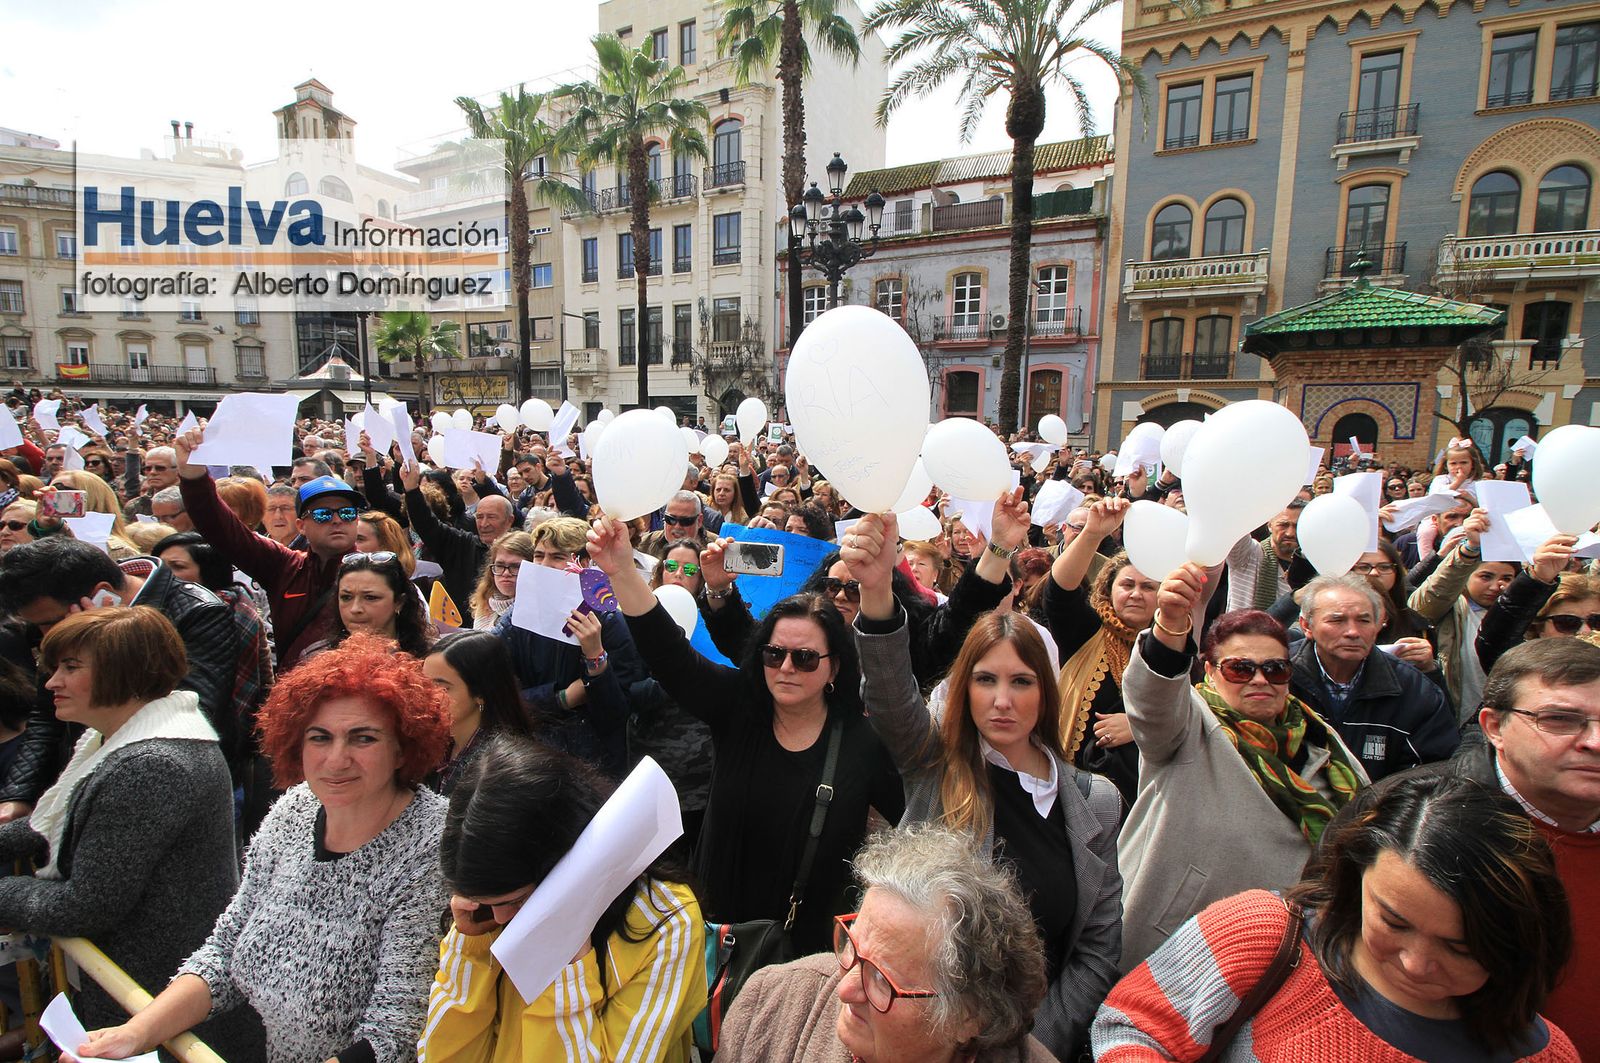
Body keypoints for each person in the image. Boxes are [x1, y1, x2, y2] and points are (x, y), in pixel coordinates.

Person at [73, 634, 451, 1063]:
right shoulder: (295, 810)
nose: (336, 759)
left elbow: (395, 1036)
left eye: (363, 739)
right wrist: (135, 1033)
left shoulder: (431, 847)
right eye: (320, 738)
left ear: (403, 748)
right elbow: (224, 952)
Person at [846, 513, 1121, 1058]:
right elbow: (890, 693)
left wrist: (1024, 1042)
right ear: (962, 688)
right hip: (917, 1035)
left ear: (1046, 692)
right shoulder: (934, 763)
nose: (1002, 700)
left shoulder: (1097, 801)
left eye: (1021, 681)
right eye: (985, 679)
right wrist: (876, 591)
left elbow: (1096, 948)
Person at [1092, 772, 1579, 1062]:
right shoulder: (1262, 933)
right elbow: (1132, 1027)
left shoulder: (1548, 1053)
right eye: (1394, 922)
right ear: (1356, 877)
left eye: (1460, 948)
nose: (1416, 963)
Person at [587, 514, 905, 954]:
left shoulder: (862, 743)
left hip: (803, 955)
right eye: (774, 654)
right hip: (714, 942)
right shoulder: (738, 706)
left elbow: (915, 819)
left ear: (834, 667)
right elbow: (668, 653)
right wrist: (622, 569)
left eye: (805, 658)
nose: (786, 668)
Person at [0, 608, 262, 1061]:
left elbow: (86, 905)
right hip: (149, 988)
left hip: (157, 999)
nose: (52, 682)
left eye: (70, 667)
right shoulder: (131, 740)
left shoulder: (151, 764)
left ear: (124, 671)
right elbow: (60, 821)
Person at [1115, 567, 1367, 972]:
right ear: (1210, 671)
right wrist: (1171, 625)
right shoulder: (1188, 725)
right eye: (1240, 669)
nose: (1260, 680)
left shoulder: (1322, 740)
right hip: (1176, 948)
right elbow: (1153, 699)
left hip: (1284, 958)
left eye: (1275, 669)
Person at [418, 735, 706, 1061]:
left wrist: (565, 964)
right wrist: (471, 953)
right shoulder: (486, 918)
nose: (500, 919)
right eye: (489, 904)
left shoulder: (666, 922)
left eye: (515, 901)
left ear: (562, 858)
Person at [720, 829, 1060, 1063]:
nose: (844, 989)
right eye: (852, 947)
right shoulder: (770, 1005)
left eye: (882, 980)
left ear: (967, 1017)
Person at [0, 537, 240, 818]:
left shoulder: (198, 611)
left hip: (163, 787)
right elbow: (46, 714)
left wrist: (105, 646)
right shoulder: (66, 609)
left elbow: (191, 710)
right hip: (84, 777)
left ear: (103, 595)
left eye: (51, 623)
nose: (46, 637)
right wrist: (18, 795)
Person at [177, 425, 361, 672]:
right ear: (301, 526)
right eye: (322, 514)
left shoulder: (380, 572)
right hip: (293, 691)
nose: (337, 520)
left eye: (347, 513)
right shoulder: (284, 566)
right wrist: (193, 477)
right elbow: (225, 531)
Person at [493, 517, 643, 777]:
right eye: (538, 556)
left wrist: (596, 659)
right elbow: (497, 694)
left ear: (583, 563)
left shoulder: (610, 622)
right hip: (530, 756)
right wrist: (561, 698)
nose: (544, 565)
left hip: (591, 765)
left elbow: (619, 713)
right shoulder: (516, 617)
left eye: (557, 557)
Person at [1040, 497, 1153, 806]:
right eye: (1127, 584)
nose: (1136, 594)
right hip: (1076, 784)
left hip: (1145, 792)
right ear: (1108, 589)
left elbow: (1184, 713)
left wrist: (1138, 726)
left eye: (1148, 587)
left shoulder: (1167, 646)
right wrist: (1092, 533)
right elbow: (1059, 591)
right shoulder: (1086, 629)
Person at [1292, 575, 1458, 781]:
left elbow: (1434, 768)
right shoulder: (1277, 675)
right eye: (1337, 620)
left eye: (1364, 620)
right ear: (1306, 626)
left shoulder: (1414, 689)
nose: (1353, 632)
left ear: (1379, 625)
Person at [1407, 504, 1508, 718]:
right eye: (1486, 576)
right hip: (1458, 717)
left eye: (1507, 578)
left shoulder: (1519, 617)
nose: (1496, 585)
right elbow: (1434, 594)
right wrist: (1469, 550)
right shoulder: (1450, 609)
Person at [420, 631, 535, 795]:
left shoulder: (503, 767)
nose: (428, 695)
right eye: (424, 684)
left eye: (443, 688)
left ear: (480, 694)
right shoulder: (434, 744)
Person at [400, 460, 510, 622]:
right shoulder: (462, 544)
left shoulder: (520, 551)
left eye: (492, 517)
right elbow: (427, 525)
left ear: (509, 521)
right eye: (479, 517)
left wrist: (483, 483)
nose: (484, 523)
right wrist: (411, 489)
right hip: (461, 630)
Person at [1474, 538, 1593, 671]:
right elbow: (1495, 640)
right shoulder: (1527, 671)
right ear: (1539, 628)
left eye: (1597, 622)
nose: (1586, 631)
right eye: (1567, 622)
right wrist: (1540, 577)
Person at [308, 551, 434, 659]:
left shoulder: (432, 658)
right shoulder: (317, 656)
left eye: (370, 597)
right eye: (346, 597)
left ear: (399, 602)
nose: (355, 609)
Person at [1224, 500, 1304, 612]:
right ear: (1269, 524)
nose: (1290, 533)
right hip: (1244, 623)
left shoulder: (1311, 567)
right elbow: (1233, 516)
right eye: (1283, 525)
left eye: (1297, 526)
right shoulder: (1249, 554)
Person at [468, 530, 534, 631]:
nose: (506, 573)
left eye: (516, 567)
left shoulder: (536, 613)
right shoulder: (485, 602)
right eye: (500, 565)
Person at [637, 490, 709, 559]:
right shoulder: (645, 545)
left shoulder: (712, 550)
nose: (677, 526)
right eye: (671, 519)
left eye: (685, 521)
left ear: (699, 521)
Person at [353, 510, 416, 577]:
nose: (351, 544)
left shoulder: (419, 576)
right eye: (351, 538)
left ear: (386, 544)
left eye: (359, 539)